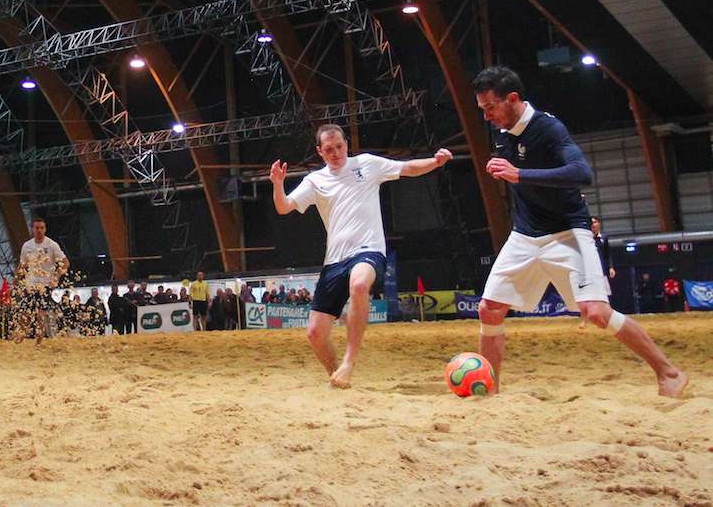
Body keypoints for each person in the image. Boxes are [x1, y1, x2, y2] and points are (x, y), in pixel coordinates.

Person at [471, 66, 687, 397]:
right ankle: (490, 389)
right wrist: (501, 166)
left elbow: (582, 173)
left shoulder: (549, 128)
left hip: (568, 232)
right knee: (489, 307)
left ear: (512, 99)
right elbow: (515, 166)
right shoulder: (504, 133)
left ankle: (668, 372)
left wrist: (520, 174)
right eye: (482, 109)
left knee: (597, 313)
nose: (487, 116)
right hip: (526, 234)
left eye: (490, 107)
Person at [270, 123, 453, 388]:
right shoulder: (315, 181)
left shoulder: (367, 164)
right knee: (315, 333)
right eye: (329, 149)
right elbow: (284, 206)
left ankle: (349, 363)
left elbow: (407, 168)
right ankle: (337, 376)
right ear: (320, 151)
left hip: (368, 251)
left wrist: (435, 162)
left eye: (340, 147)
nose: (336, 153)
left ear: (346, 144)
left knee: (358, 285)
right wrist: (278, 184)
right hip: (334, 260)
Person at [17, 217, 69, 339]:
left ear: (45, 229)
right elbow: (22, 265)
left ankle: (39, 340)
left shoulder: (52, 245)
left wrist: (56, 277)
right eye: (37, 228)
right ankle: (20, 335)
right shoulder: (26, 246)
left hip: (45, 284)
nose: (39, 230)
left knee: (41, 312)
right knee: (25, 311)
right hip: (30, 284)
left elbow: (66, 262)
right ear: (32, 230)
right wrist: (16, 278)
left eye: (42, 228)